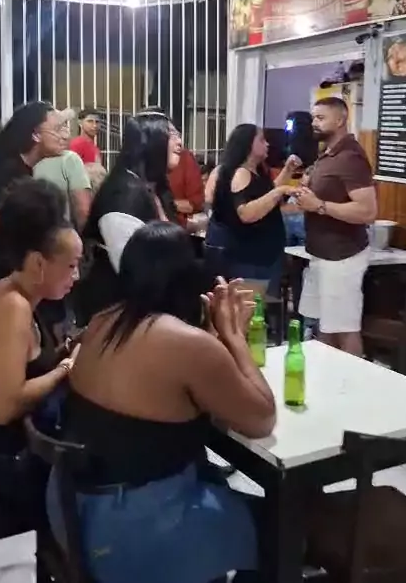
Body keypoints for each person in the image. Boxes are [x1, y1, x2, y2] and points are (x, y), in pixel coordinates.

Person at [47, 221, 275, 583]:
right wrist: (233, 336)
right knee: (277, 527)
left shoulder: (103, 320)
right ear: (188, 279)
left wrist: (212, 339)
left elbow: (175, 388)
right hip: (134, 531)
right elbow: (261, 418)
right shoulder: (186, 344)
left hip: (72, 510)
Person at [0, 178, 83, 524]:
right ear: (37, 263)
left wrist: (64, 353)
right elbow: (3, 408)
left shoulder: (13, 292)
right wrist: (66, 368)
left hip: (8, 450)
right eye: (71, 265)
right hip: (8, 467)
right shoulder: (13, 307)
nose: (76, 276)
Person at [75, 110, 181, 324]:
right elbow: (133, 271)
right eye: (171, 134)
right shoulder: (124, 195)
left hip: (145, 312)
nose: (180, 142)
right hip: (115, 315)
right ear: (150, 141)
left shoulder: (155, 187)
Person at [0, 101, 69, 301]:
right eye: (57, 129)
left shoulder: (22, 168)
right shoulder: (3, 168)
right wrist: (25, 213)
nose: (65, 135)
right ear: (36, 134)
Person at [295, 97, 377, 355]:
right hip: (321, 254)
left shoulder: (351, 157)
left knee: (344, 328)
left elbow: (367, 211)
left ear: (340, 120)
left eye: (321, 118)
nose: (314, 123)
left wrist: (320, 205)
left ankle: (352, 377)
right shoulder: (327, 154)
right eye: (313, 117)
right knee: (324, 326)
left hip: (342, 257)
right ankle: (327, 375)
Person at [205, 124, 299, 289]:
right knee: (253, 303)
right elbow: (246, 213)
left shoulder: (258, 171)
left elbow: (264, 195)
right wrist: (281, 191)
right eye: (261, 140)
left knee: (262, 302)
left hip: (264, 256)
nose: (267, 144)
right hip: (251, 259)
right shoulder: (241, 173)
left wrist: (288, 170)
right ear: (247, 144)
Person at [34, 116, 92, 232]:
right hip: (59, 237)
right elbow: (82, 210)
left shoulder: (20, 161)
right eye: (57, 128)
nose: (65, 135)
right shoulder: (69, 159)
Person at [168, 146, 204, 228]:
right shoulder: (141, 156)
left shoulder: (184, 158)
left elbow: (194, 204)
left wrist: (167, 203)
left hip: (174, 227)